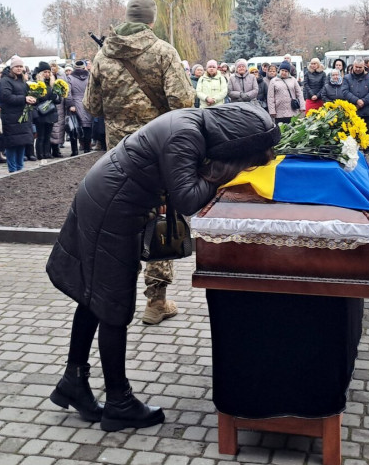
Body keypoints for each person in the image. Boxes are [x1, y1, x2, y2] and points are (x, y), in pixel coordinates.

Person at [45, 103, 280, 431]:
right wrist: (226, 171)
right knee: (113, 306)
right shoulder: (185, 134)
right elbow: (187, 198)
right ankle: (119, 403)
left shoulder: (193, 125)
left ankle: (74, 381)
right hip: (112, 207)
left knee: (92, 295)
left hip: (107, 197)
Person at [83, 0, 195, 325]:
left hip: (118, 157)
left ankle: (117, 296)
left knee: (122, 219)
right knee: (162, 218)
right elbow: (183, 101)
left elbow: (91, 106)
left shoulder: (103, 55)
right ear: (151, 20)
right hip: (158, 153)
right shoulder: (163, 52)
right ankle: (156, 301)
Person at [0, 58, 36, 172]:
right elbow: (6, 96)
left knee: (21, 143)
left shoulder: (22, 80)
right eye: (16, 66)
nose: (19, 68)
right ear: (12, 68)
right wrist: (24, 99)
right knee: (12, 145)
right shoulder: (6, 80)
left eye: (20, 66)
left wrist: (33, 98)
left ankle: (20, 168)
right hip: (11, 117)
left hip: (22, 117)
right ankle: (13, 170)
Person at [344, 61, 369, 152]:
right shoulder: (347, 78)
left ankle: (367, 148)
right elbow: (345, 92)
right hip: (352, 109)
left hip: (366, 109)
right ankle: (352, 149)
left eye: (360, 67)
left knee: (367, 130)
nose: (358, 69)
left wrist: (363, 101)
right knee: (352, 131)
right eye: (356, 67)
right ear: (353, 66)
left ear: (364, 67)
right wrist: (356, 100)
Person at [66, 60, 94, 154]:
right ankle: (87, 148)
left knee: (73, 127)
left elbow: (68, 93)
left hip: (75, 104)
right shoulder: (90, 76)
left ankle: (75, 151)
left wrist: (70, 104)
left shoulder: (70, 78)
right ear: (84, 67)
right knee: (87, 126)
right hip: (88, 103)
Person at [265, 61, 303, 127]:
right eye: (282, 70)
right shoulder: (273, 81)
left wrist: (302, 106)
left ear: (289, 72)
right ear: (279, 70)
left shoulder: (293, 80)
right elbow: (270, 97)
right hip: (279, 112)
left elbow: (299, 94)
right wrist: (272, 111)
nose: (284, 73)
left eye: (286, 71)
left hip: (292, 111)